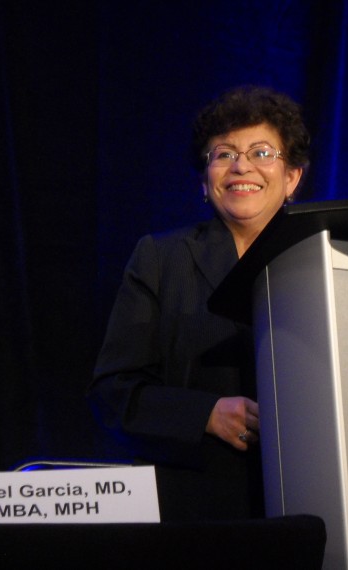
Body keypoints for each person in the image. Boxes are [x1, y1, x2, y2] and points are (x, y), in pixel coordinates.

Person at [87, 85, 310, 521]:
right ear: (205, 182)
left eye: (262, 152)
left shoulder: (325, 261)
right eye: (223, 154)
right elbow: (112, 393)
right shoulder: (160, 258)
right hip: (197, 506)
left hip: (311, 500)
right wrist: (205, 414)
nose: (241, 165)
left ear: (292, 178)